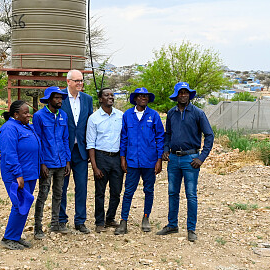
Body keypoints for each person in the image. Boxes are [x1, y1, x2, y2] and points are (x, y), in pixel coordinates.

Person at [156, 82, 214, 242]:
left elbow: (209, 136)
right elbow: (168, 134)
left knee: (191, 195)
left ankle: (191, 229)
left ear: (189, 95)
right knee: (173, 193)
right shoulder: (171, 113)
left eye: (186, 92)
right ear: (176, 95)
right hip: (174, 159)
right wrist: (165, 149)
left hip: (191, 160)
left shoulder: (198, 113)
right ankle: (172, 225)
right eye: (180, 93)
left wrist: (201, 158)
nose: (183, 95)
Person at [115, 87, 164, 235]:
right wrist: (122, 158)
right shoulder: (127, 115)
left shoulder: (154, 116)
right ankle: (123, 222)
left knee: (149, 190)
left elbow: (160, 138)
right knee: (128, 191)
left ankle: (146, 218)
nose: (143, 98)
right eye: (140, 96)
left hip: (149, 161)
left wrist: (159, 159)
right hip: (132, 161)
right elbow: (123, 137)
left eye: (146, 96)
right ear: (135, 99)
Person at [0, 100, 40, 250]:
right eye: (25, 113)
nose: (29, 115)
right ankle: (8, 238)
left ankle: (15, 236)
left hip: (29, 173)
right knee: (19, 205)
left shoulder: (24, 126)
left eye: (28, 112)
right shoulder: (9, 129)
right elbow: (9, 153)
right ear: (16, 114)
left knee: (25, 205)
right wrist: (18, 174)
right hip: (17, 175)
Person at [32, 86, 71, 239]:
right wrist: (41, 163)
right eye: (56, 98)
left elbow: (65, 138)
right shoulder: (39, 116)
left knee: (59, 194)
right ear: (49, 99)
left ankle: (55, 224)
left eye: (61, 97)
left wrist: (67, 160)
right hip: (47, 163)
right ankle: (38, 227)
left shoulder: (63, 115)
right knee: (43, 194)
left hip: (61, 162)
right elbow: (38, 141)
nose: (59, 100)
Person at [59, 69, 94, 234]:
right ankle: (61, 220)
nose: (80, 83)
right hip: (63, 151)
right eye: (77, 81)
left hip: (80, 150)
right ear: (68, 82)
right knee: (61, 187)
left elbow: (90, 124)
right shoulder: (59, 98)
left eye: (81, 80)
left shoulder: (87, 99)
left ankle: (80, 221)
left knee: (81, 187)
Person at [86, 88, 124, 233]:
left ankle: (110, 218)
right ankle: (99, 221)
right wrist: (95, 167)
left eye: (112, 95)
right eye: (106, 95)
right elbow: (90, 144)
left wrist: (123, 160)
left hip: (117, 158)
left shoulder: (120, 116)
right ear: (100, 99)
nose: (110, 97)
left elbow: (124, 139)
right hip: (101, 158)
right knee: (100, 192)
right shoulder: (94, 118)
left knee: (116, 191)